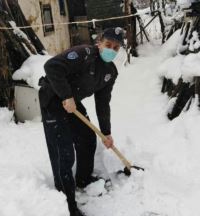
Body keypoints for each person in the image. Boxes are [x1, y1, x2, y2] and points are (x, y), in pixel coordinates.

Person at [38, 27, 124, 216]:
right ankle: (66, 203)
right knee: (64, 151)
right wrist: (66, 95)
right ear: (99, 42)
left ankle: (83, 179)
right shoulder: (83, 54)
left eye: (116, 48)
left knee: (87, 139)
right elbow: (51, 66)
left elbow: (103, 103)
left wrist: (106, 132)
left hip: (72, 104)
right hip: (53, 98)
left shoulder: (110, 72)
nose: (111, 49)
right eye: (108, 45)